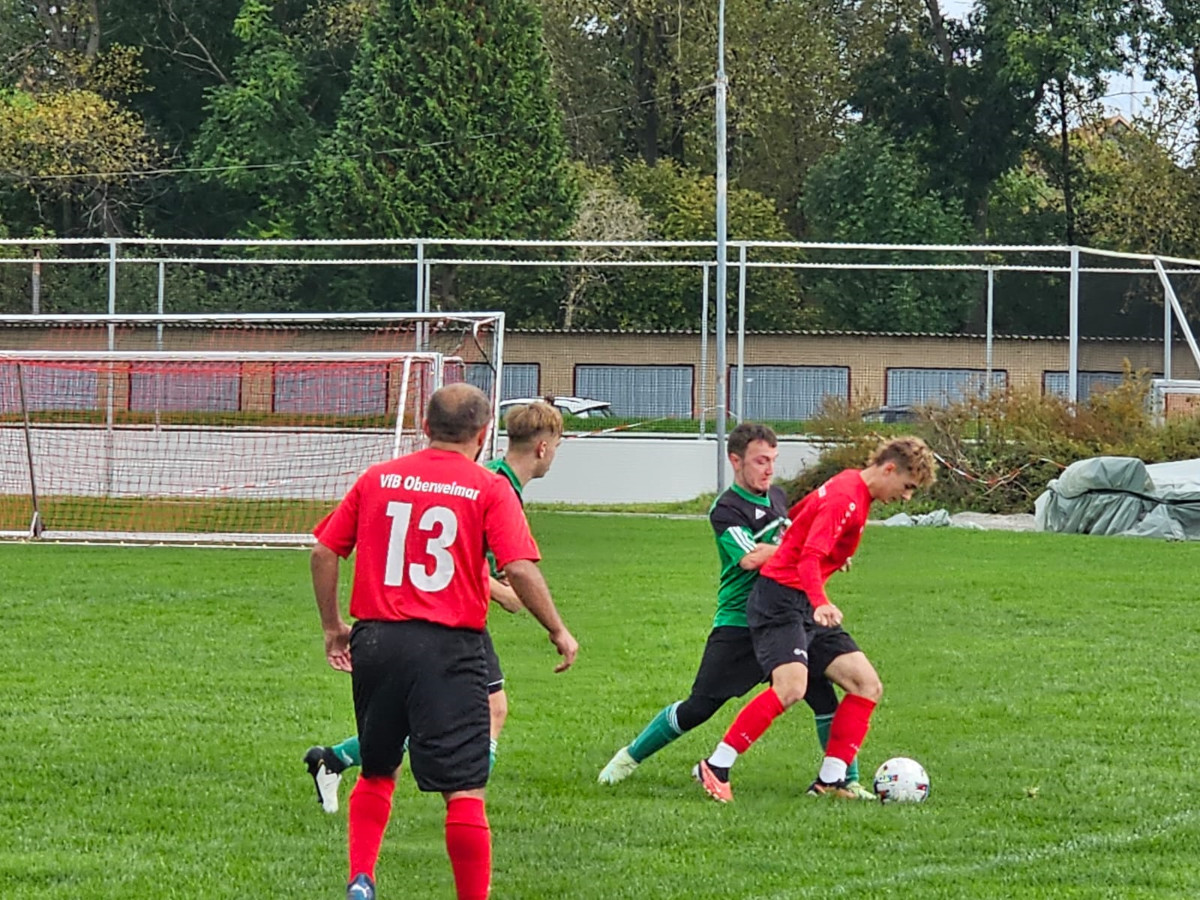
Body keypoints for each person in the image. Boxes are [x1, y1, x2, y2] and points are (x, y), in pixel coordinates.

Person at [311, 384, 578, 900]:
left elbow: (325, 552)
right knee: (464, 791)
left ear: (426, 428)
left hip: (376, 640)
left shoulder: (377, 478)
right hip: (448, 648)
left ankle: (361, 878)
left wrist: (332, 627)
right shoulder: (488, 487)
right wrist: (557, 629)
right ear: (483, 436)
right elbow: (519, 567)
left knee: (377, 767)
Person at [597, 423, 874, 799]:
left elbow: (798, 534)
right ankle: (628, 758)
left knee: (825, 693)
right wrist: (815, 549)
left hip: (792, 609)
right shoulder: (727, 509)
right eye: (761, 461)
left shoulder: (777, 497)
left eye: (773, 461)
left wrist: (825, 552)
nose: (769, 469)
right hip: (742, 621)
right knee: (699, 707)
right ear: (735, 460)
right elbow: (750, 558)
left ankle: (841, 781)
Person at [693, 436, 936, 803]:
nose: (906, 498)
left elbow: (800, 513)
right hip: (781, 599)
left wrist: (833, 552)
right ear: (889, 469)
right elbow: (807, 559)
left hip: (802, 600)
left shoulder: (850, 485)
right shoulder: (846, 498)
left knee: (866, 684)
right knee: (791, 688)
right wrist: (821, 599)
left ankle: (830, 781)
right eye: (907, 487)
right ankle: (717, 765)